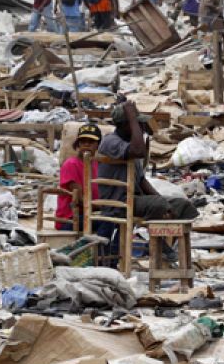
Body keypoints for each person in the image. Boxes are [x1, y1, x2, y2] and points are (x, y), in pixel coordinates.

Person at [97, 101, 199, 263]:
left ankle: (171, 249)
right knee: (158, 205)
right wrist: (132, 117)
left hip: (135, 200)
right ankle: (160, 244)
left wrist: (166, 203)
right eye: (137, 124)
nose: (142, 128)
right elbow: (139, 151)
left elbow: (142, 181)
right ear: (126, 125)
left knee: (184, 206)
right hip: (117, 202)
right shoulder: (111, 141)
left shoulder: (131, 145)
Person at [56, 124, 101, 230]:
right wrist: (103, 207)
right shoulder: (71, 164)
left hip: (89, 214)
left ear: (97, 145)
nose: (86, 145)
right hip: (71, 218)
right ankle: (103, 245)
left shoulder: (95, 164)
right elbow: (80, 199)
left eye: (90, 142)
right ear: (78, 144)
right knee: (109, 221)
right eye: (83, 142)